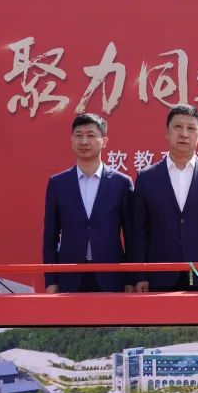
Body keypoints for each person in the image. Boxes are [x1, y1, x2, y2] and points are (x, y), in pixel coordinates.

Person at [130, 104, 198, 292]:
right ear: (167, 133)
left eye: (191, 128)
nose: (184, 134)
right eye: (178, 127)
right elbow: (139, 232)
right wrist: (140, 275)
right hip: (159, 276)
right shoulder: (146, 177)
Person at [42, 112, 134, 293]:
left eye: (91, 135)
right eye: (78, 135)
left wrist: (131, 279)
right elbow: (50, 237)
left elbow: (132, 237)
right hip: (69, 275)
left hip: (112, 275)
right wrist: (51, 280)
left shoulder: (122, 183)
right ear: (71, 140)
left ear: (104, 141)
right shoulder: (58, 183)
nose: (84, 141)